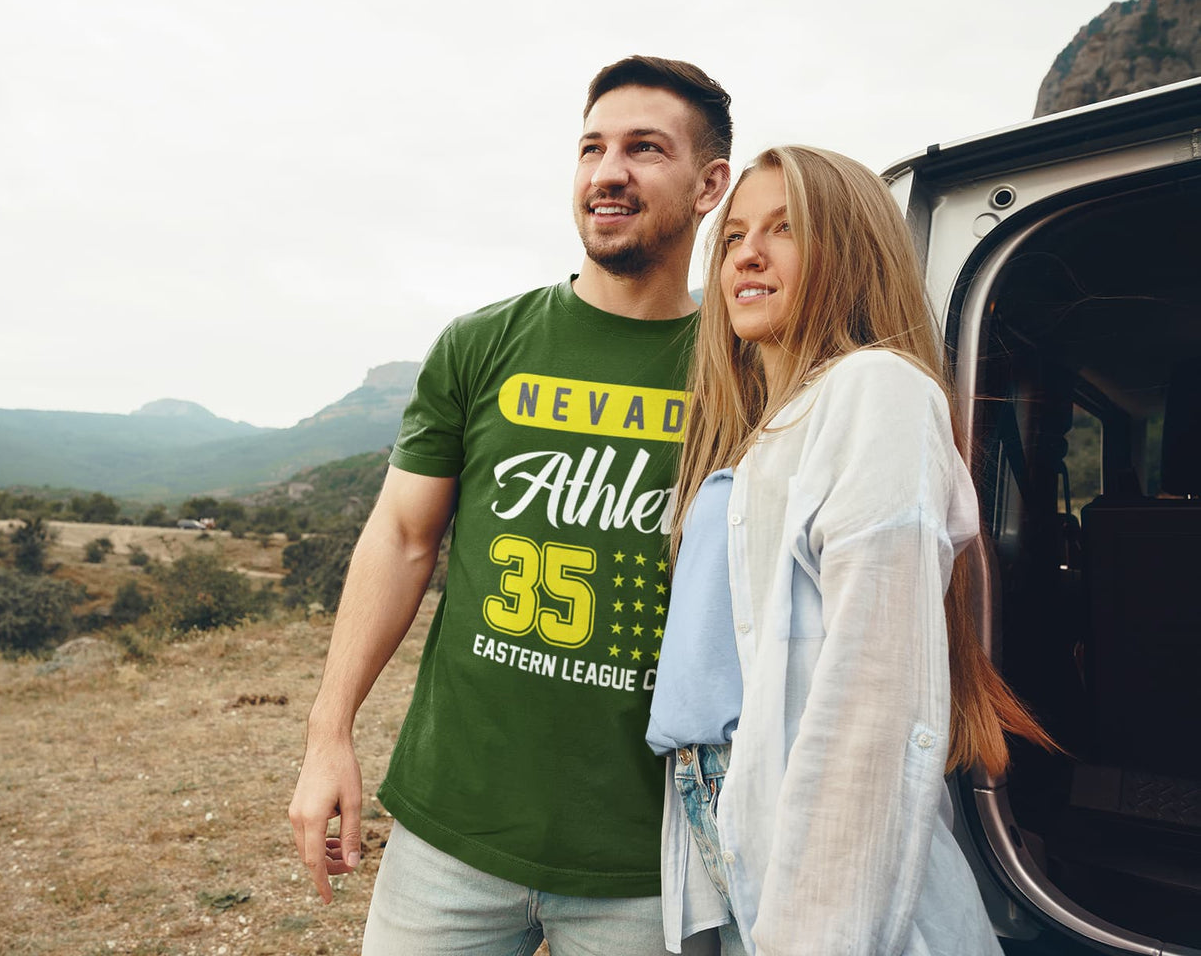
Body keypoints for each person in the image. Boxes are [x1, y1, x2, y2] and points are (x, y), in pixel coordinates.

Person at [288, 55, 733, 954]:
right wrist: (328, 731)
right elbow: (402, 538)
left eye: (645, 149)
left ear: (709, 184)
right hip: (450, 835)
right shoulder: (482, 343)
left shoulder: (741, 372)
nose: (608, 172)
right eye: (592, 148)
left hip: (649, 860)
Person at [647, 145, 1059, 955]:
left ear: (851, 252)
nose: (748, 254)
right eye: (734, 236)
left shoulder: (876, 389)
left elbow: (874, 695)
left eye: (785, 229)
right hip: (715, 798)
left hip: (812, 822)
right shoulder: (763, 429)